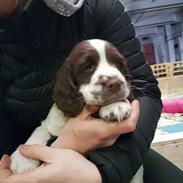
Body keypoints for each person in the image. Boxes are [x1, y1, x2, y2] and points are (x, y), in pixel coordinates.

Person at [0, 0, 181, 183]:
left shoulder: (96, 7)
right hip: (33, 156)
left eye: (116, 65)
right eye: (88, 66)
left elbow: (145, 90)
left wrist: (100, 172)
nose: (110, 78)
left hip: (122, 149)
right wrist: (65, 146)